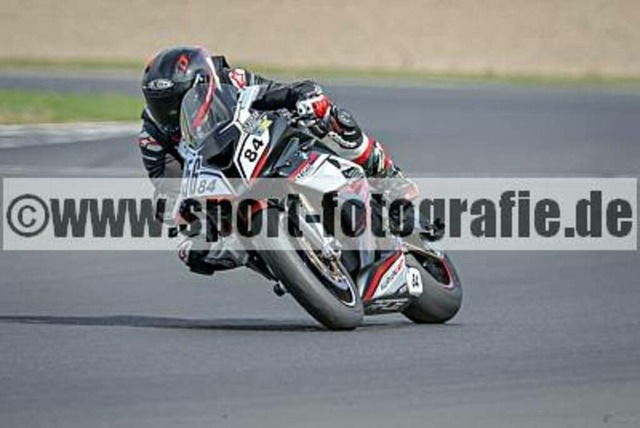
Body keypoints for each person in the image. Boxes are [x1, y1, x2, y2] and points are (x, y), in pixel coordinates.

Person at [138, 46, 423, 275]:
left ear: (203, 83)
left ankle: (390, 180)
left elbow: (272, 91)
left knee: (331, 118)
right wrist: (186, 221)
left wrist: (301, 97)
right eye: (159, 104)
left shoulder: (229, 79)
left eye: (176, 101)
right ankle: (289, 269)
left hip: (267, 142)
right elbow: (169, 186)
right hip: (224, 185)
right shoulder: (153, 136)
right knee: (196, 243)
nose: (170, 112)